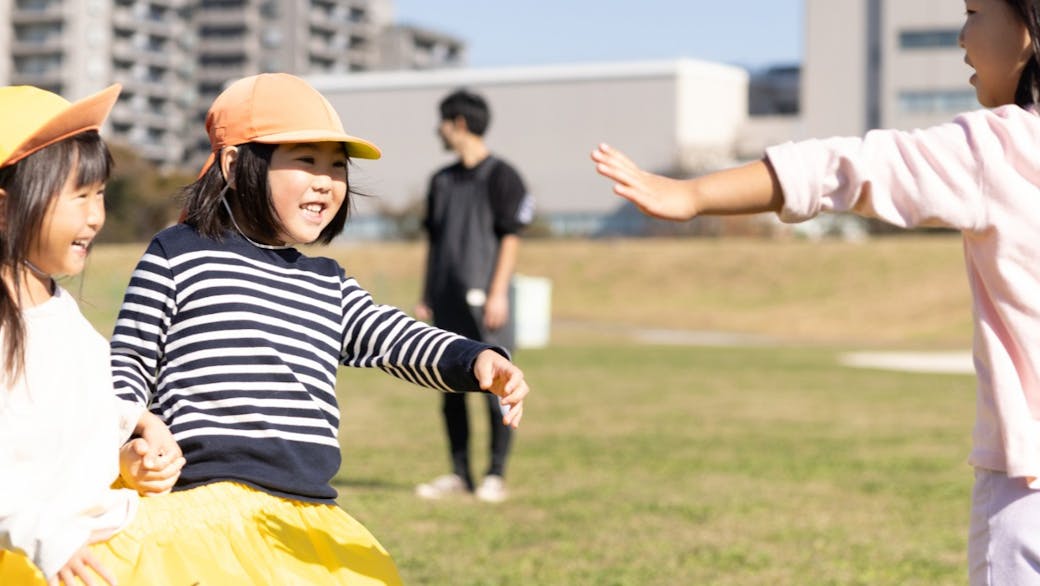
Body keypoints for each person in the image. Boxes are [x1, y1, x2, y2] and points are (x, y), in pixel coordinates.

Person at [592, 1, 1040, 583]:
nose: (962, 34)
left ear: (1030, 30)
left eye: (975, 11)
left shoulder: (1000, 148)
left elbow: (844, 166)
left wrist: (693, 195)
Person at [108, 73, 530, 585]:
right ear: (236, 165)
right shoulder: (178, 253)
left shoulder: (325, 282)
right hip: (198, 512)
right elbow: (127, 364)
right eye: (306, 161)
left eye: (337, 166)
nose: (326, 181)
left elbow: (391, 335)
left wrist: (473, 358)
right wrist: (130, 441)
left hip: (305, 520)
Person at [0, 84, 183, 586]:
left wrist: (135, 437)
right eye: (78, 196)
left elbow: (76, 407)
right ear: (3, 209)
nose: (96, 216)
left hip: (88, 550)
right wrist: (47, 537)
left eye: (99, 193)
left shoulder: (60, 311)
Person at [414, 89, 534, 503]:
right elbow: (434, 242)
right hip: (445, 298)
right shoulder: (440, 181)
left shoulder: (503, 176)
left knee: (494, 387)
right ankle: (459, 474)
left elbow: (510, 238)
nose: (439, 130)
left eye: (443, 122)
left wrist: (499, 292)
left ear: (459, 124)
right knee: (449, 388)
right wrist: (426, 293)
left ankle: (495, 475)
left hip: (488, 299)